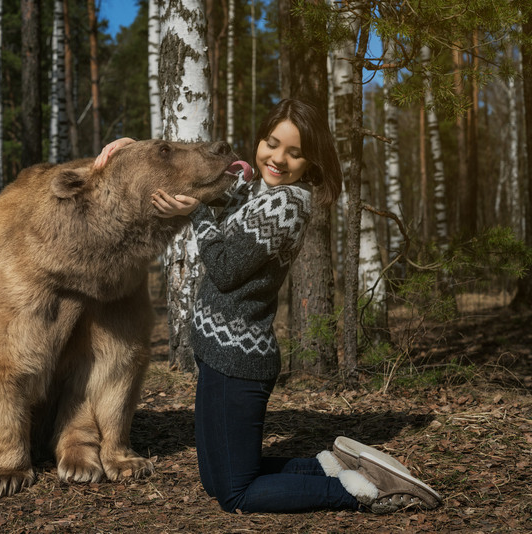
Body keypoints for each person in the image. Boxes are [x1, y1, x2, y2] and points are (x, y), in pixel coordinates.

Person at [94, 98, 442, 515]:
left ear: (311, 161)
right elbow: (226, 178)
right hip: (214, 351)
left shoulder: (288, 204)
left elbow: (224, 269)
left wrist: (198, 212)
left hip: (239, 361)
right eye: (271, 143)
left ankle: (363, 494)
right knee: (215, 479)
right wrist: (131, 149)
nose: (277, 158)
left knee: (234, 494)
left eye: (294, 153)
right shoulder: (264, 189)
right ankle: (333, 466)